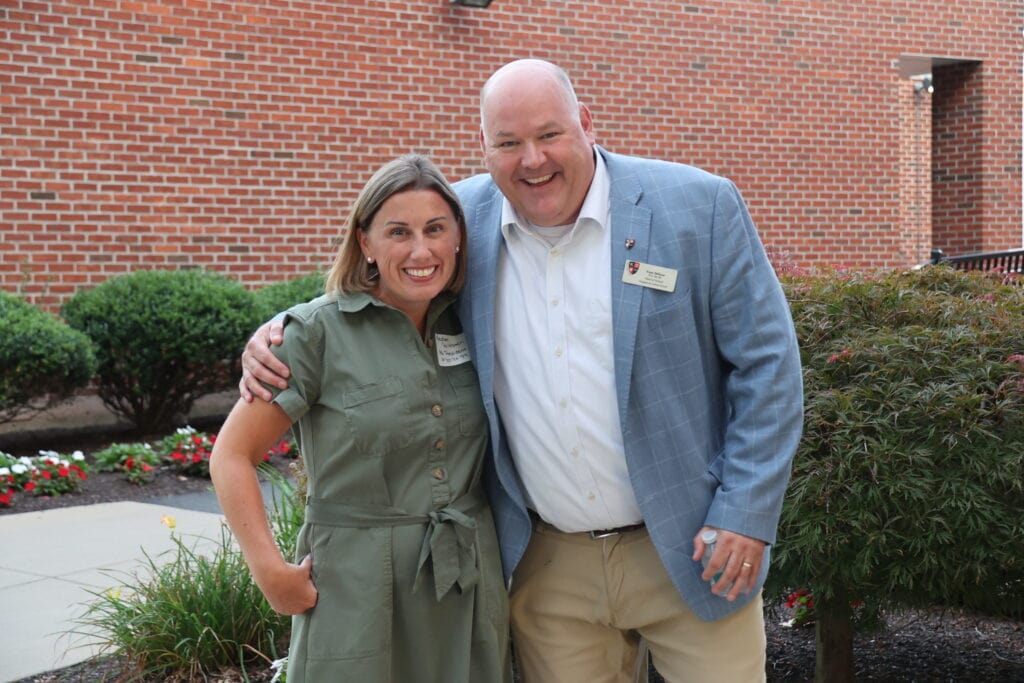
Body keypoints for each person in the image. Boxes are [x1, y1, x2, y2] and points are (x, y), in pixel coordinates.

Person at [242, 59, 803, 682]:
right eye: (508, 144)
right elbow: (379, 279)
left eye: (549, 134)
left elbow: (769, 368)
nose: (532, 160)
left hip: (692, 546)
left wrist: (744, 512)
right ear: (485, 150)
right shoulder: (462, 222)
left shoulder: (698, 207)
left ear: (586, 124)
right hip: (546, 566)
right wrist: (278, 331)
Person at [212, 154, 512, 683]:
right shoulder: (313, 335)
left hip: (465, 577)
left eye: (435, 229)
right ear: (365, 242)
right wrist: (270, 571)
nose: (421, 250)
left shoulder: (476, 318)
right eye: (399, 232)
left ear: (459, 238)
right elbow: (232, 455)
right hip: (355, 583)